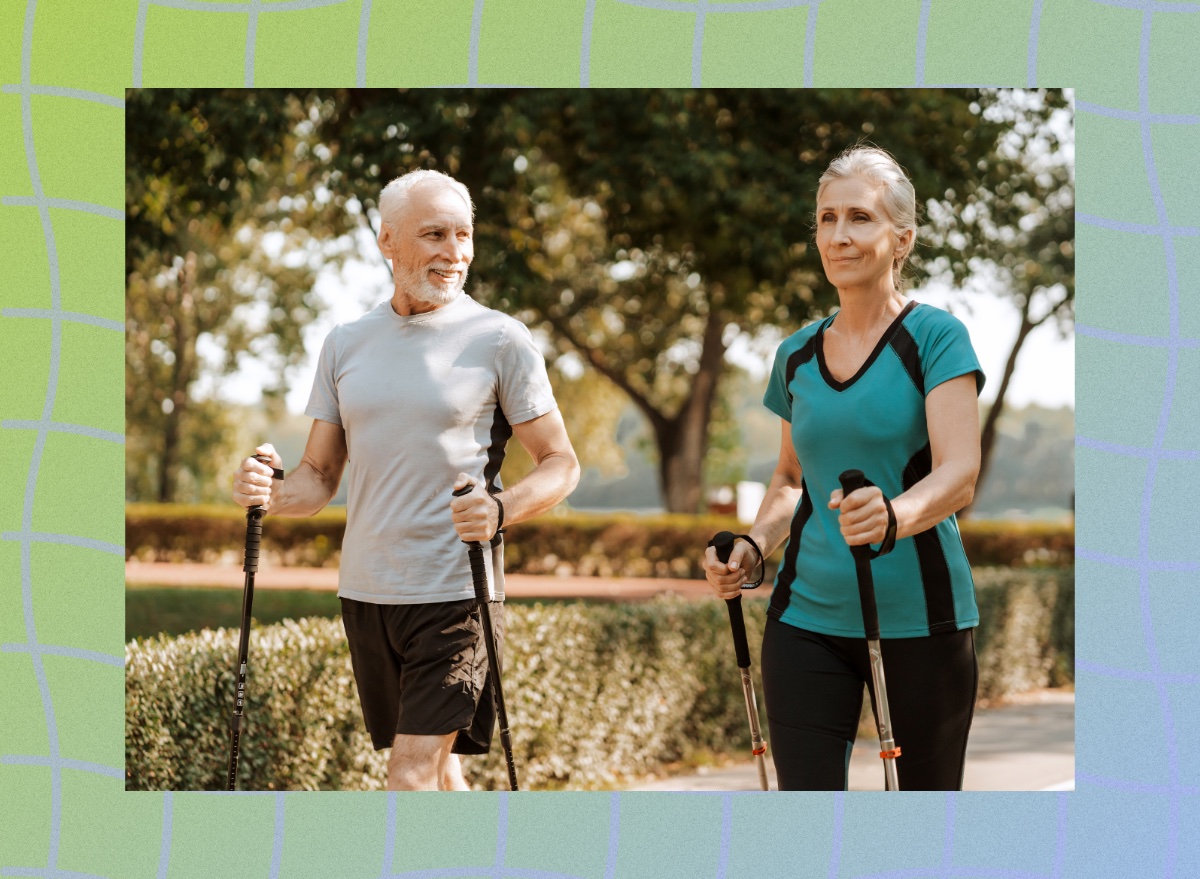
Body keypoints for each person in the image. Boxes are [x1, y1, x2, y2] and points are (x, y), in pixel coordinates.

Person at [231, 169, 580, 791]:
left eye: (464, 234)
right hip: (367, 594)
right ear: (387, 241)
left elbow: (560, 463)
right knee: (440, 772)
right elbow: (317, 475)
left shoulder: (500, 339)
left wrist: (500, 510)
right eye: (435, 234)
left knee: (409, 777)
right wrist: (271, 492)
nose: (455, 252)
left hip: (457, 592)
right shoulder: (346, 343)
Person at [704, 145, 985, 791]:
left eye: (859, 217)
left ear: (901, 238)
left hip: (923, 621)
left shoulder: (938, 338)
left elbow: (959, 472)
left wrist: (894, 514)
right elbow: (789, 479)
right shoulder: (796, 353)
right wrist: (753, 545)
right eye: (826, 219)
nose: (838, 235)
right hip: (806, 620)